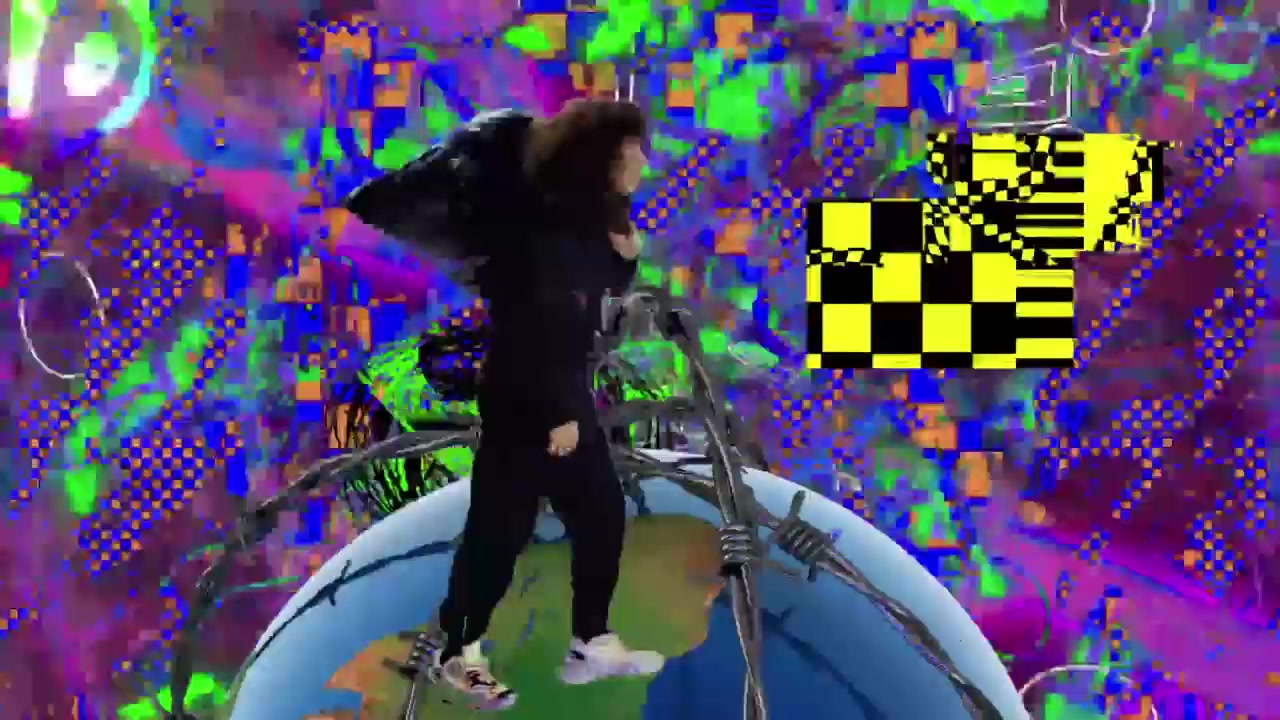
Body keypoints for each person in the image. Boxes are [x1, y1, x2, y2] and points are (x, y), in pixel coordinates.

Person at [431, 98, 664, 709]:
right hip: (528, 397)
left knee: (601, 513)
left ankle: (590, 642)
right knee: (500, 531)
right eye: (631, 152)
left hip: (561, 390)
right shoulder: (544, 230)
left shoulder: (583, 219)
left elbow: (596, 292)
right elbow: (536, 324)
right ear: (600, 160)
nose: (642, 161)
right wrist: (559, 413)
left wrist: (626, 255)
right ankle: (458, 652)